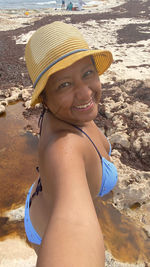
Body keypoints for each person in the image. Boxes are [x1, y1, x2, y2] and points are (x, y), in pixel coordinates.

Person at [24, 21, 118, 267]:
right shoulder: (65, 149)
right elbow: (72, 226)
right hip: (43, 226)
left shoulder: (67, 113)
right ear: (44, 97)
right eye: (64, 84)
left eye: (88, 73)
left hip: (40, 196)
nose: (85, 93)